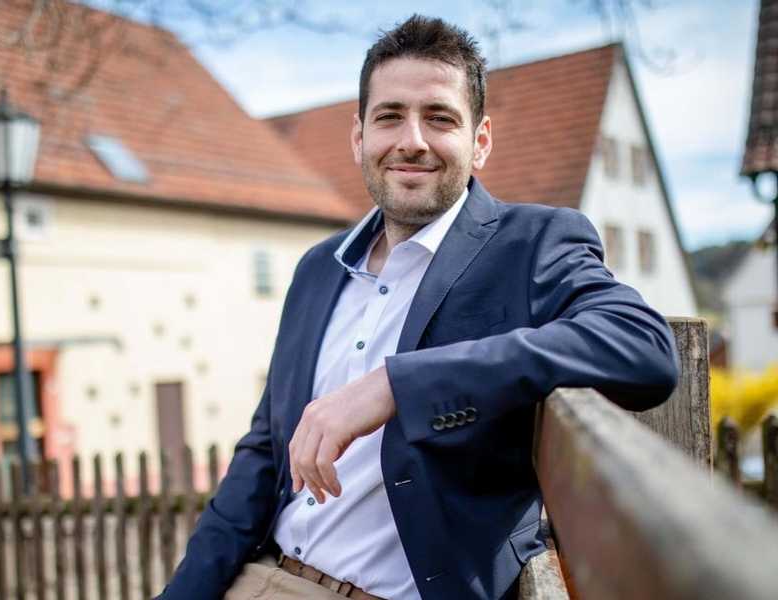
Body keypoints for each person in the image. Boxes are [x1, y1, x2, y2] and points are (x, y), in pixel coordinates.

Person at [158, 14, 678, 600]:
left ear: (480, 141)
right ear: (359, 138)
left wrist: (396, 386)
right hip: (262, 576)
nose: (412, 140)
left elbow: (644, 347)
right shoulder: (316, 268)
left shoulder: (533, 243)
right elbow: (263, 451)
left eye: (439, 118)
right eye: (389, 116)